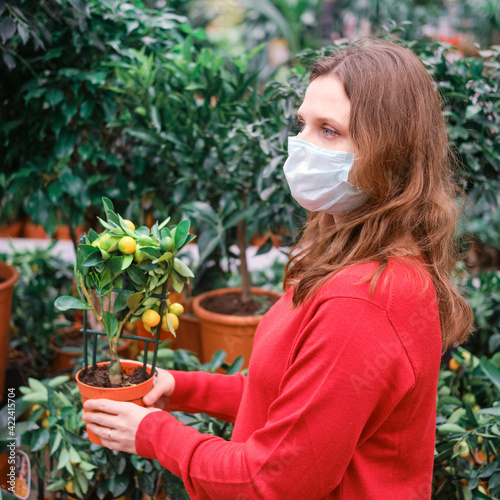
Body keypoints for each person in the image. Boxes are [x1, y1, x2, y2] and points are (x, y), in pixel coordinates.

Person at [83, 37, 474, 499]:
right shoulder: (354, 258)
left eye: (329, 131)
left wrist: (154, 433)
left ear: (392, 153)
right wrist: (180, 387)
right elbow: (297, 401)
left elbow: (273, 480)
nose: (300, 146)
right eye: (302, 124)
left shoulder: (363, 301)